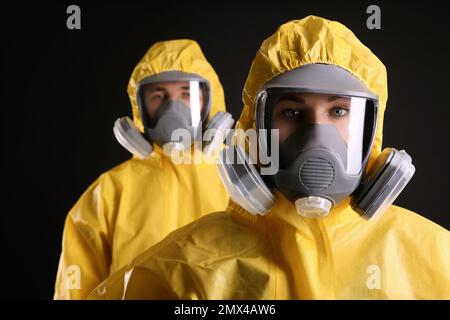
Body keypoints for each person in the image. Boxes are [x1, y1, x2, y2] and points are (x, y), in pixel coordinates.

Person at [87, 16, 450, 300]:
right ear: (255, 127)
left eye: (339, 112)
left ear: (373, 127)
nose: (317, 136)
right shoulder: (184, 270)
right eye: (292, 113)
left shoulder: (434, 257)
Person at [54, 39, 232, 299]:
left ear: (209, 102)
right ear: (139, 108)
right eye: (158, 96)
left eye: (187, 93)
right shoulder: (109, 192)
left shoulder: (240, 179)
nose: (174, 109)